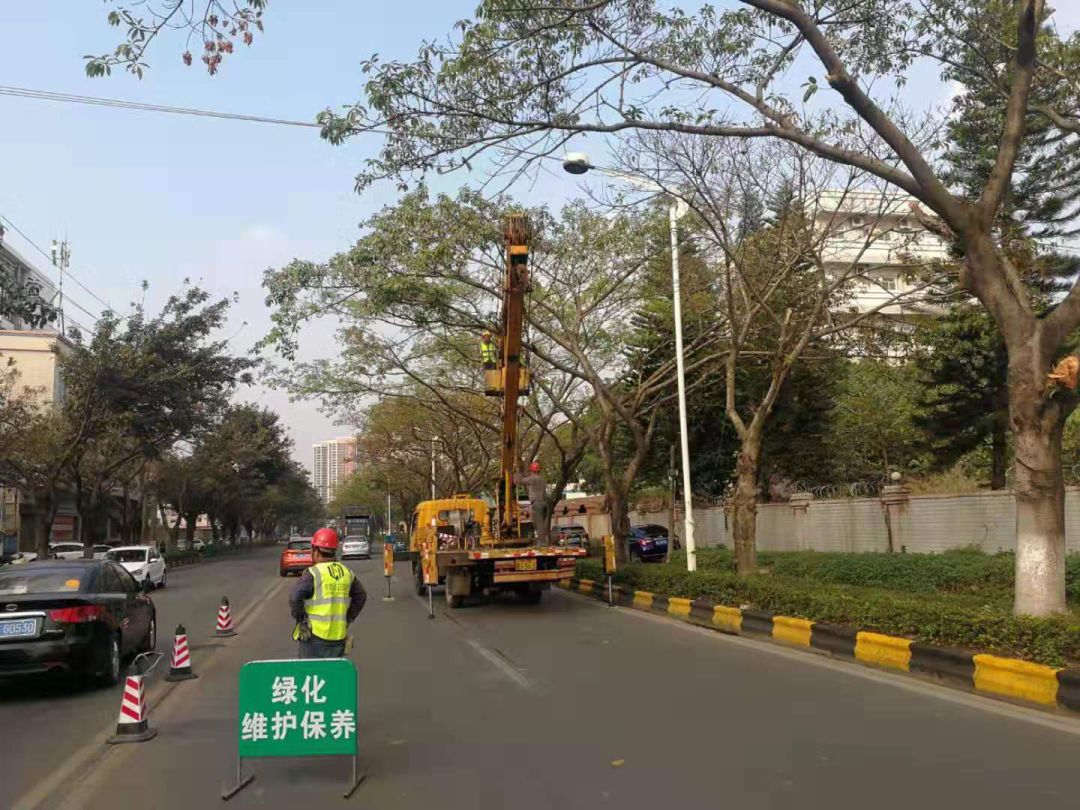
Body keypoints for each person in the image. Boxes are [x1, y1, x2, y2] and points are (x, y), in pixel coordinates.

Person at [290, 528, 367, 658]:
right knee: (333, 675)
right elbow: (361, 596)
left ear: (315, 550)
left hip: (314, 638)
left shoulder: (313, 573)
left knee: (310, 675)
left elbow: (295, 598)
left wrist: (302, 621)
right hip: (339, 637)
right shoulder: (346, 572)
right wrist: (348, 618)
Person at [516, 461, 549, 545]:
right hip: (543, 503)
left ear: (532, 471)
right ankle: (542, 540)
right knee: (537, 523)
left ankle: (542, 542)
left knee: (538, 524)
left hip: (537, 503)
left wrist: (518, 471)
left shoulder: (532, 478)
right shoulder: (542, 478)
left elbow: (518, 481)